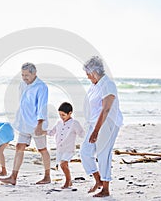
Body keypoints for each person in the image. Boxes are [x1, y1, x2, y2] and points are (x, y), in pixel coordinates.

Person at [0, 62, 51, 185]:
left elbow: (42, 107)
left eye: (27, 75)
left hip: (36, 124)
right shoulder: (22, 84)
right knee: (19, 147)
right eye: (22, 75)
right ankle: (13, 177)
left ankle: (47, 176)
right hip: (24, 123)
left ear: (34, 74)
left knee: (42, 149)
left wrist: (39, 125)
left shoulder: (41, 87)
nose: (24, 78)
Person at [80, 56, 123, 197]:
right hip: (94, 123)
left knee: (103, 154)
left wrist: (96, 131)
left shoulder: (107, 84)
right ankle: (98, 180)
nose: (87, 77)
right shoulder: (95, 85)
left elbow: (106, 109)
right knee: (85, 152)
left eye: (88, 74)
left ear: (94, 72)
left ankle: (106, 188)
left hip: (107, 123)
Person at [45, 102, 85, 189]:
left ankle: (68, 181)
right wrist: (42, 131)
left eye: (63, 115)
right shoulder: (59, 122)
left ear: (70, 113)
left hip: (69, 148)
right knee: (63, 165)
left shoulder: (74, 123)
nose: (61, 117)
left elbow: (82, 134)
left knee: (63, 164)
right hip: (60, 149)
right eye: (60, 115)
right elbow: (52, 132)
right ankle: (69, 181)